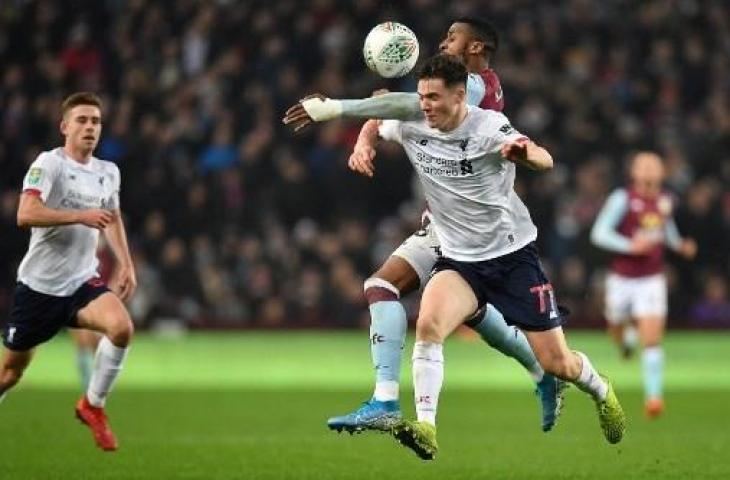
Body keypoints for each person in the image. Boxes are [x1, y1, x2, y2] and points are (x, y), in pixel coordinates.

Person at [284, 18, 564, 434]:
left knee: (404, 292)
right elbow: (392, 112)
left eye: (454, 36)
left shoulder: (473, 86)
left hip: (477, 228)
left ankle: (389, 400)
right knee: (438, 303)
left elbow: (405, 107)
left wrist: (336, 108)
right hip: (445, 221)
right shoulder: (454, 83)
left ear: (476, 47)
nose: (443, 41)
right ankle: (540, 376)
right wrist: (365, 138)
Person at [342, 54, 625, 460]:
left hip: (512, 258)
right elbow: (376, 119)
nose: (425, 105)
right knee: (429, 325)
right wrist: (364, 142)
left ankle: (601, 390)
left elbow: (544, 157)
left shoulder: (488, 128)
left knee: (558, 362)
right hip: (459, 260)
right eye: (421, 97)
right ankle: (426, 427)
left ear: (460, 97)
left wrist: (523, 154)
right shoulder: (413, 121)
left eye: (435, 97)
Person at [0, 92, 136, 451]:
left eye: (95, 121)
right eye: (82, 120)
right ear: (64, 127)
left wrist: (125, 262)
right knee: (10, 374)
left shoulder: (109, 172)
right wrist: (79, 215)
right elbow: (25, 214)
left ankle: (92, 405)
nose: (90, 127)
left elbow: (113, 217)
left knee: (121, 328)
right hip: (39, 289)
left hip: (81, 283)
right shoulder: (50, 164)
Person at [591, 152, 696, 418]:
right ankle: (625, 340)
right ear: (634, 173)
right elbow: (599, 233)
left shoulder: (664, 201)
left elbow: (664, 229)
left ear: (662, 173)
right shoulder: (621, 199)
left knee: (652, 339)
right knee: (616, 326)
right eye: (644, 166)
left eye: (654, 167)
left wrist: (679, 245)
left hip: (651, 279)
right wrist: (630, 246)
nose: (649, 171)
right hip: (622, 279)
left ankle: (654, 397)